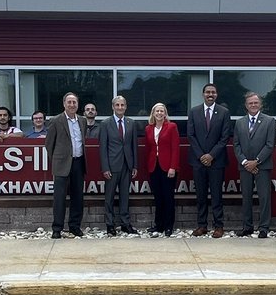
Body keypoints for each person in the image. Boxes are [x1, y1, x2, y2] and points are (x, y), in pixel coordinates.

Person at [187, 82, 232, 238]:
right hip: (197, 161)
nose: (210, 94)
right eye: (207, 92)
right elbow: (191, 136)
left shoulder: (224, 112)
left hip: (217, 161)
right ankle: (202, 225)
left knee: (216, 195)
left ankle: (219, 226)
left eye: (213, 92)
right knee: (200, 195)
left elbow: (225, 137)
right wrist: (201, 155)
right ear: (203, 94)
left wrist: (211, 155)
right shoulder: (193, 112)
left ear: (216, 95)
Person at [233, 92, 276, 238]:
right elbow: (236, 145)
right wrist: (245, 162)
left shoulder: (269, 121)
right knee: (246, 197)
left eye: (255, 103)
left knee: (264, 197)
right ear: (246, 105)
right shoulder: (239, 122)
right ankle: (247, 227)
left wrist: (256, 161)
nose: (253, 105)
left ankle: (264, 227)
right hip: (245, 166)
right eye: (250, 103)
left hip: (262, 166)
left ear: (260, 104)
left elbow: (270, 145)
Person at [46, 92, 87, 239]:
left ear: (77, 104)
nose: (72, 105)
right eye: (69, 102)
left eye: (74, 102)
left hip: (78, 162)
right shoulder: (56, 120)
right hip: (61, 164)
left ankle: (75, 226)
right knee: (59, 198)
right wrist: (57, 160)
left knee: (77, 197)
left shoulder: (82, 120)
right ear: (64, 104)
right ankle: (57, 228)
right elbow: (49, 144)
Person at [97, 95, 139, 235]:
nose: (120, 108)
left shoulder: (131, 123)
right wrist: (105, 167)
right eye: (117, 105)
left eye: (122, 105)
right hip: (112, 166)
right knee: (109, 197)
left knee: (125, 196)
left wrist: (135, 166)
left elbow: (134, 146)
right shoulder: (105, 124)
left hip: (127, 165)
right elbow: (102, 147)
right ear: (113, 107)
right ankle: (110, 225)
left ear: (126, 107)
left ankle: (125, 224)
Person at [144, 102, 180, 236]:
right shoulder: (148, 128)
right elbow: (148, 149)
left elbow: (175, 148)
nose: (159, 113)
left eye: (162, 111)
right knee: (158, 197)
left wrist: (173, 167)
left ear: (165, 114)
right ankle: (158, 225)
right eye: (157, 111)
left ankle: (169, 226)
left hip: (168, 167)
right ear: (153, 113)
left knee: (168, 197)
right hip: (154, 167)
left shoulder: (171, 127)